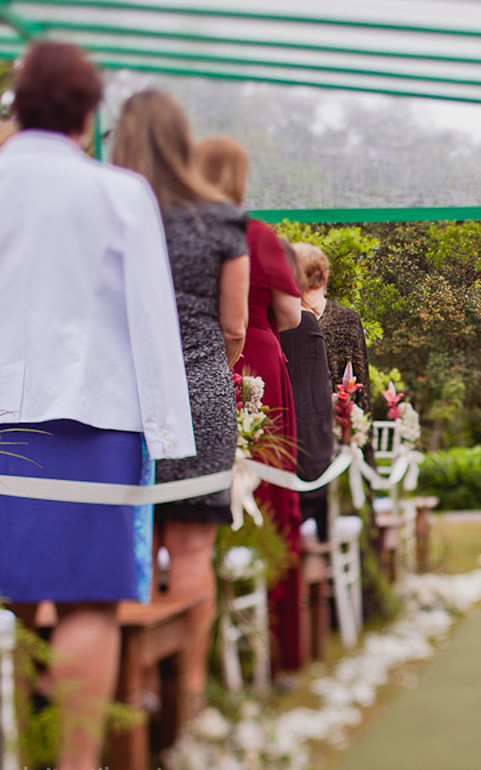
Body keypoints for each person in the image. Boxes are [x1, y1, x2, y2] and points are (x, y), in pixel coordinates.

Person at [0, 44, 196, 770]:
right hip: (93, 418)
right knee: (86, 596)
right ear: (89, 114)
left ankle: (23, 763)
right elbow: (152, 318)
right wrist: (173, 440)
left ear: (18, 102)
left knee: (18, 595)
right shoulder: (119, 193)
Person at [111, 89, 251, 721]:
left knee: (130, 541)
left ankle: (133, 689)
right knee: (192, 548)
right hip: (200, 390)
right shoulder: (219, 219)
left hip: (119, 399)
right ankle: (189, 694)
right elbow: (236, 327)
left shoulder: (109, 211)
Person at [195, 134, 306, 672]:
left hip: (192, 360)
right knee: (269, 486)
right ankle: (276, 640)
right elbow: (291, 315)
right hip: (256, 355)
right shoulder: (256, 235)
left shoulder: (178, 230)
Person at [280, 243, 336, 541]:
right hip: (307, 454)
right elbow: (315, 400)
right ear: (322, 276)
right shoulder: (305, 323)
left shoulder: (268, 320)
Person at [300, 252, 371, 412]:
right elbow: (362, 380)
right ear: (325, 276)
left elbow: (360, 376)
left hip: (336, 416)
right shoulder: (285, 319)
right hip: (313, 417)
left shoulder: (347, 318)